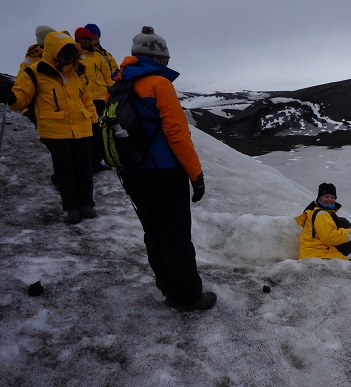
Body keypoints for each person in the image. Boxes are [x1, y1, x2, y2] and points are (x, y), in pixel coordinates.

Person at [113, 26, 215, 312]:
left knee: (154, 233)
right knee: (176, 236)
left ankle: (168, 287)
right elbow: (177, 134)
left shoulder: (121, 83)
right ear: (159, 59)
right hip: (165, 172)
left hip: (133, 171)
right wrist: (196, 174)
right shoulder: (159, 84)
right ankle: (187, 296)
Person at [0, 31, 98, 225]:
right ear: (54, 52)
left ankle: (87, 203)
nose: (69, 60)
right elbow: (22, 97)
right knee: (64, 169)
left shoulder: (77, 73)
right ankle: (71, 207)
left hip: (82, 128)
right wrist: (11, 97)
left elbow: (86, 100)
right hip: (55, 131)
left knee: (84, 168)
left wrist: (94, 123)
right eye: (66, 55)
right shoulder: (34, 72)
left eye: (72, 56)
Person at [75, 26, 113, 172]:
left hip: (101, 97)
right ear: (78, 39)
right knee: (88, 130)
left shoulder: (98, 56)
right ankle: (88, 162)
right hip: (84, 98)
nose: (88, 41)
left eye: (89, 38)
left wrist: (113, 91)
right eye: (84, 38)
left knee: (101, 130)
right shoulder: (74, 54)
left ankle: (96, 161)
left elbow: (108, 76)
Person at [294, 182, 351, 260]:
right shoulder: (321, 214)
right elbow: (329, 237)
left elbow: (329, 230)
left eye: (332, 197)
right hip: (318, 257)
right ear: (320, 198)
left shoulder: (322, 213)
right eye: (326, 196)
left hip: (317, 254)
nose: (330, 199)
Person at [17, 25, 56, 124]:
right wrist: (26, 111)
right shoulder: (29, 62)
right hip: (36, 110)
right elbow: (20, 87)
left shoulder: (56, 58)